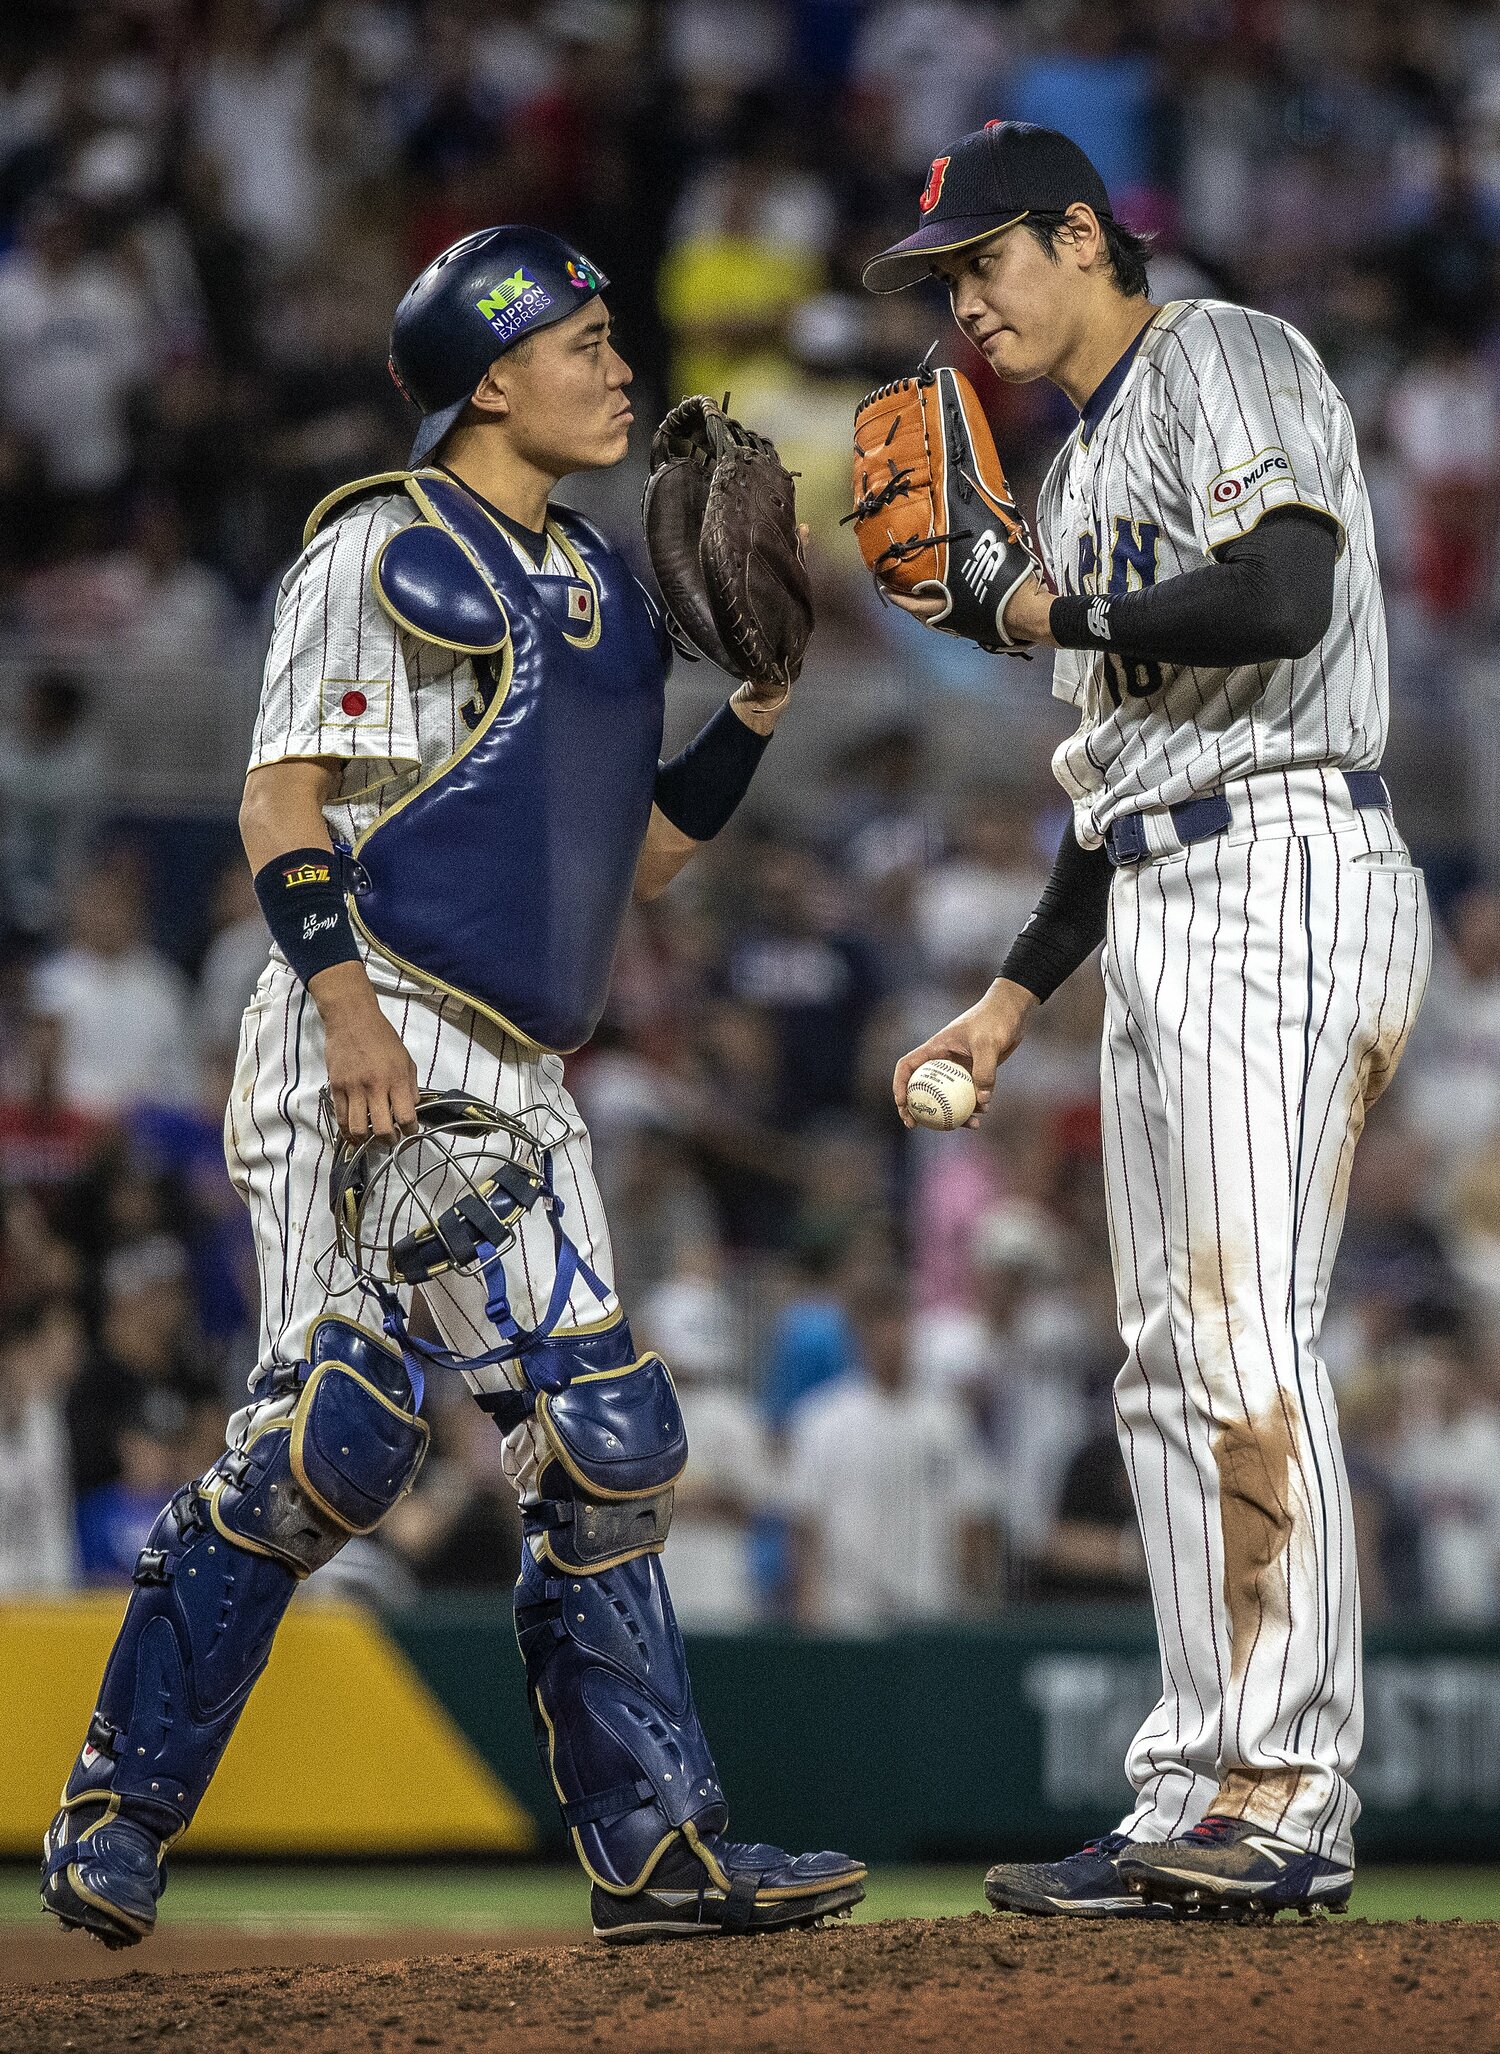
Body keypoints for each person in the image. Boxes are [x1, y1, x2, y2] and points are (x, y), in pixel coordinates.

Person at [44, 226, 863, 1951]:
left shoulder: (604, 592)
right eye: (583, 341)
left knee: (606, 1442)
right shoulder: (382, 546)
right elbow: (280, 803)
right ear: (492, 379)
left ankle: (660, 1853)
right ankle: (118, 1802)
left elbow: (642, 860)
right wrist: (346, 1012)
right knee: (335, 1430)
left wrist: (759, 708)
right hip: (369, 1013)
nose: (619, 368)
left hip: (523, 1062)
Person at [868, 121, 1431, 1917]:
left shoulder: (1225, 354)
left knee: (1245, 1335)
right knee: (1165, 1362)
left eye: (984, 262)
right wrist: (1007, 1000)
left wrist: (1044, 602)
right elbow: (1113, 785)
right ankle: (1197, 1777)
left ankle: (1294, 1793)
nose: (965, 306)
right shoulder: (1082, 470)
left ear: (1082, 235)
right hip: (1166, 885)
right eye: (945, 282)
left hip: (1288, 858)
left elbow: (1285, 590)